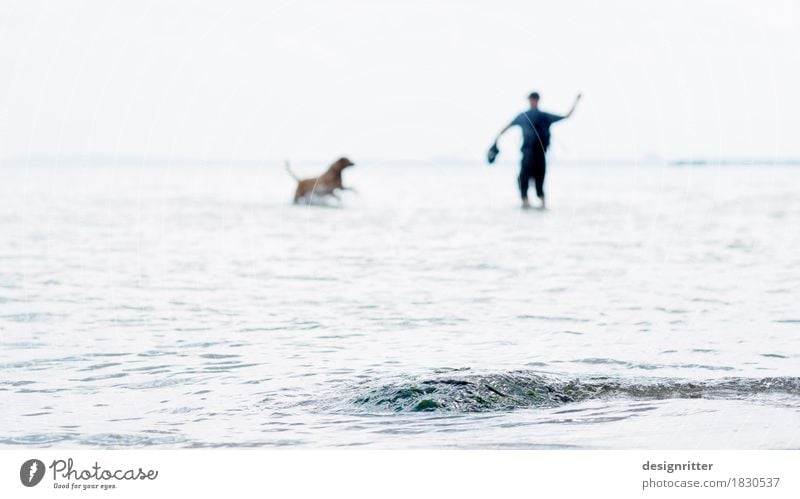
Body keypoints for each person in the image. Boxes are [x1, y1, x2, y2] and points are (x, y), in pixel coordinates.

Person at [491, 91, 581, 209]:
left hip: (539, 154)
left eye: (533, 99)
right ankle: (526, 204)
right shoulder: (524, 116)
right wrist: (495, 142)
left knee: (539, 182)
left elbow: (567, 116)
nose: (533, 102)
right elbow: (505, 128)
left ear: (536, 100)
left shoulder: (541, 116)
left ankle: (539, 205)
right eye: (532, 100)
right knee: (524, 180)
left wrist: (576, 101)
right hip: (528, 153)